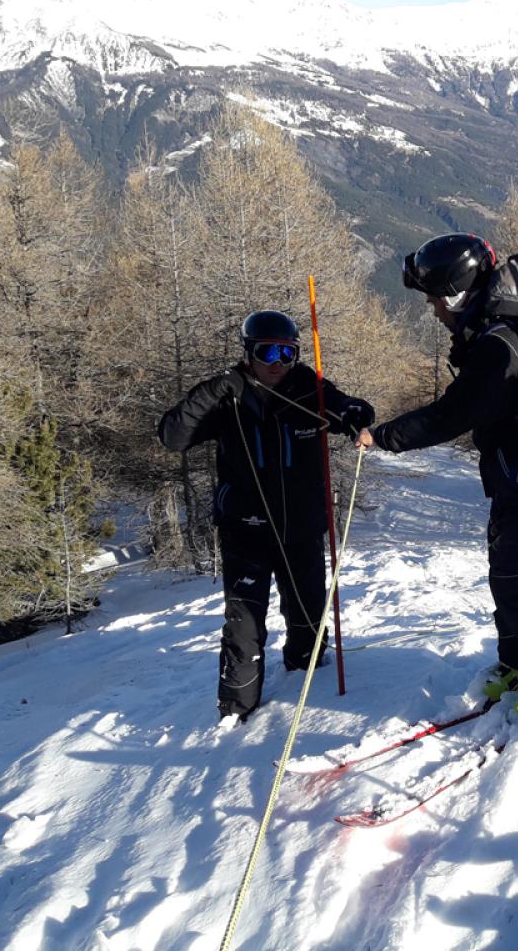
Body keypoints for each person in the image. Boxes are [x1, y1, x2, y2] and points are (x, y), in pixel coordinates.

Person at [356, 233, 518, 709]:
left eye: (434, 298)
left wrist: (383, 436)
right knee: (505, 574)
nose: (432, 308)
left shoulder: (498, 346)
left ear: (457, 293)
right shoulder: (497, 329)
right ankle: (516, 664)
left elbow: (451, 414)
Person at [158, 310, 373, 723]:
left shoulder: (309, 389)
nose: (276, 362)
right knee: (244, 624)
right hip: (246, 531)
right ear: (247, 352)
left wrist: (355, 413)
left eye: (286, 352)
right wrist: (210, 391)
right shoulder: (228, 397)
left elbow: (350, 410)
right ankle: (236, 711)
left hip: (302, 527)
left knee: (308, 611)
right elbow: (173, 437)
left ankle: (306, 677)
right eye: (266, 351)